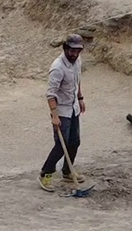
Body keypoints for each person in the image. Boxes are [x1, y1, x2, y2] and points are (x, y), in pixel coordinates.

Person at [40, 33, 86, 192]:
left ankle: (67, 171)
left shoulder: (77, 61)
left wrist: (80, 98)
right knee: (61, 145)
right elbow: (51, 94)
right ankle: (45, 174)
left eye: (78, 51)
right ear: (65, 48)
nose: (74, 54)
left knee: (75, 141)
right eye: (72, 51)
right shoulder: (57, 67)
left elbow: (77, 80)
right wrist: (54, 116)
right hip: (61, 111)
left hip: (73, 107)